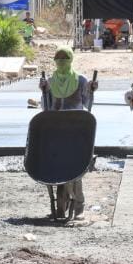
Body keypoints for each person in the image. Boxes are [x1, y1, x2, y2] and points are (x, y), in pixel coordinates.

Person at [39, 46, 99, 218]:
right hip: (56, 131)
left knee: (75, 169)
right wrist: (44, 91)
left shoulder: (80, 81)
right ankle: (62, 202)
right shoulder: (50, 81)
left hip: (76, 131)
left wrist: (91, 90)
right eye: (58, 59)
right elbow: (46, 107)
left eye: (65, 59)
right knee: (57, 166)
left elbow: (87, 103)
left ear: (71, 60)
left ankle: (79, 204)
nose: (61, 62)